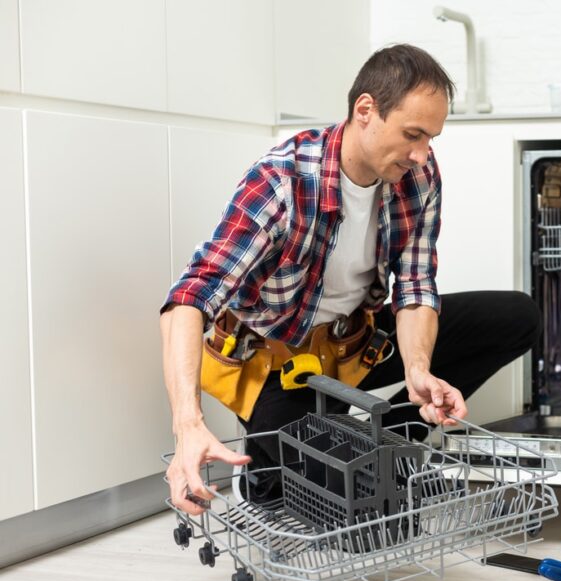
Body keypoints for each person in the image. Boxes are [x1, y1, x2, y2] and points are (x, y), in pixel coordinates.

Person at [160, 44, 540, 515]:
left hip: (351, 343)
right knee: (372, 515)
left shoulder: (417, 175)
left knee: (518, 316)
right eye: (412, 134)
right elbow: (188, 299)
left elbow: (416, 287)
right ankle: (266, 476)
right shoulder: (281, 181)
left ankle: (388, 453)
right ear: (365, 110)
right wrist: (187, 424)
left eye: (431, 139)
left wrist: (417, 369)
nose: (422, 154)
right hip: (281, 365)